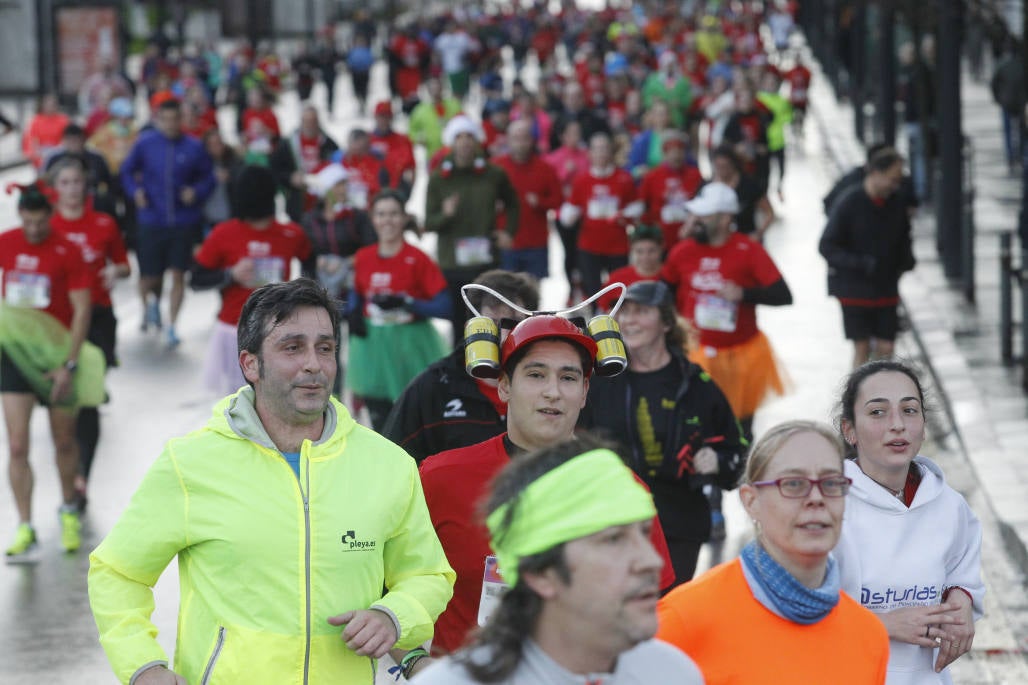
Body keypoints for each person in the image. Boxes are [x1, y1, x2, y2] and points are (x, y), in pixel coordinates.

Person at [88, 278, 456, 684]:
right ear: (250, 364)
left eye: (325, 348)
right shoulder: (190, 463)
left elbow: (427, 575)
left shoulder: (388, 464)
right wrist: (143, 666)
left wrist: (393, 615)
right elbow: (117, 572)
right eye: (292, 347)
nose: (313, 363)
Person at [418, 314, 677, 658]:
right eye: (536, 375)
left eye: (568, 378)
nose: (552, 392)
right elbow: (388, 582)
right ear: (505, 386)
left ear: (585, 392)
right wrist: (413, 661)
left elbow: (652, 612)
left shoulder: (624, 493)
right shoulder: (440, 477)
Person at [416, 436, 705, 684]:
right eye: (613, 540)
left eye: (643, 533)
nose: (651, 560)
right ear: (541, 573)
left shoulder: (673, 673)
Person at [656, 420, 891, 684]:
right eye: (793, 484)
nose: (816, 498)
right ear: (751, 501)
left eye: (831, 483)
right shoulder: (682, 621)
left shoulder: (867, 635)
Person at [582, 281, 746, 584]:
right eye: (624, 312)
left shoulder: (696, 385)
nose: (629, 320)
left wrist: (718, 462)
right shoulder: (598, 381)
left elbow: (739, 454)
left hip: (678, 525)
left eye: (641, 311)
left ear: (667, 323)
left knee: (663, 616)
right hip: (610, 522)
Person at [833, 360, 983, 684]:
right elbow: (794, 609)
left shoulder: (949, 506)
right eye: (877, 412)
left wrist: (961, 601)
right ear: (849, 429)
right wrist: (883, 624)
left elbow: (963, 572)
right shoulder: (826, 507)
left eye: (910, 410)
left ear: (924, 425)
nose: (897, 424)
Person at [1, 182, 96, 560]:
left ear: (49, 218)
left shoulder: (68, 251)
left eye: (42, 222)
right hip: (13, 355)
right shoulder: (6, 243)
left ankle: (68, 508)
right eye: (30, 222)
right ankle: (25, 526)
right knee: (18, 445)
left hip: (56, 357)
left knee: (64, 442)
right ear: (20, 215)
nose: (36, 229)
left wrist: (68, 364)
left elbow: (82, 310)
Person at [662, 181, 791, 440]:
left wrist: (744, 293)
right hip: (694, 352)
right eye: (694, 213)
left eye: (703, 215)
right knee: (694, 425)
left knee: (739, 429)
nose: (695, 219)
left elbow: (783, 295)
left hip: (739, 355)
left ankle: (738, 476)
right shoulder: (683, 251)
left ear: (724, 219)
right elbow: (663, 293)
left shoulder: (748, 250)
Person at [381, 269, 539, 462]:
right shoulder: (433, 388)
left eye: (513, 324)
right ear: (470, 329)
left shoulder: (550, 387)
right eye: (493, 324)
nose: (504, 335)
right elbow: (390, 459)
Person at [48, 158, 131, 511]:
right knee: (69, 401)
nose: (72, 189)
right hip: (57, 323)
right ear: (56, 188)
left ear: (87, 186)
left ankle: (82, 475)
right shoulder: (46, 225)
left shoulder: (103, 223)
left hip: (97, 318)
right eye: (65, 182)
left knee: (88, 402)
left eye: (77, 181)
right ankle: (70, 468)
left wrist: (116, 272)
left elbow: (125, 265)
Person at [191, 165, 312, 397]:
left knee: (279, 400)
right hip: (233, 331)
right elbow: (196, 280)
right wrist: (231, 275)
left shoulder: (292, 234)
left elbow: (311, 263)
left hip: (278, 330)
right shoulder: (223, 234)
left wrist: (299, 292)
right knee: (236, 405)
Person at [347, 190, 451, 430]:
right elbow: (358, 292)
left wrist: (409, 303)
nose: (387, 220)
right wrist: (354, 312)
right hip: (372, 348)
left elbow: (445, 307)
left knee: (414, 417)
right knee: (379, 419)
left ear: (405, 218)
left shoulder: (417, 258)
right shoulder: (363, 257)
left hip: (410, 347)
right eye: (381, 214)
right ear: (373, 219)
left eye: (394, 214)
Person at [120, 98, 215, 347]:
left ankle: (172, 325)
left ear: (181, 120)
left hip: (183, 222)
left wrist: (196, 191)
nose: (172, 124)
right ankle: (149, 305)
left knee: (178, 274)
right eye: (166, 120)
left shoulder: (194, 147)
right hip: (152, 219)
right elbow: (127, 171)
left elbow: (209, 177)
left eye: (176, 119)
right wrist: (136, 192)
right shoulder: (145, 144)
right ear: (158, 119)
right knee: (150, 277)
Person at [425, 115, 520, 344]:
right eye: (459, 137)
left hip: (486, 263)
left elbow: (514, 203)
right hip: (453, 263)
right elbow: (429, 222)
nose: (465, 142)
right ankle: (461, 368)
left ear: (477, 140)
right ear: (451, 142)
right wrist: (445, 214)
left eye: (469, 136)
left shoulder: (493, 173)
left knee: (490, 320)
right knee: (460, 323)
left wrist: (508, 231)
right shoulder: (439, 178)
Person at [819, 147, 914, 368]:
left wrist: (906, 260)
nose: (895, 185)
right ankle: (859, 397)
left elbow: (904, 237)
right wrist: (861, 264)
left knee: (886, 347)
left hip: (885, 288)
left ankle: (880, 392)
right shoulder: (849, 203)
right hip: (854, 291)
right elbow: (827, 246)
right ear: (875, 173)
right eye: (892, 179)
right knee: (861, 347)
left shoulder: (897, 202)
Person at [558, 132, 643, 302]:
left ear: (611, 152)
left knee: (618, 291)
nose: (601, 153)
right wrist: (573, 213)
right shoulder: (582, 180)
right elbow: (568, 213)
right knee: (592, 292)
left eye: (605, 149)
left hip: (618, 245)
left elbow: (637, 207)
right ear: (589, 153)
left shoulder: (624, 178)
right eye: (596, 149)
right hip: (589, 246)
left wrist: (623, 215)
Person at [493, 120, 562, 279]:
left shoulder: (545, 168)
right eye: (516, 138)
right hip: (506, 243)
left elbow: (558, 200)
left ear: (532, 141)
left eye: (525, 138)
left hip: (536, 243)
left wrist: (540, 202)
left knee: (533, 293)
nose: (521, 143)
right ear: (508, 140)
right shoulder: (496, 167)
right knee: (505, 293)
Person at [270, 104, 339, 223]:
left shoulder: (328, 143)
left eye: (313, 121)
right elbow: (275, 169)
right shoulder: (287, 144)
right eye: (306, 121)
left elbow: (338, 169)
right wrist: (290, 177)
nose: (310, 125)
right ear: (301, 121)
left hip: (322, 201)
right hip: (297, 202)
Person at [637, 131, 704, 249]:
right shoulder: (652, 177)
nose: (676, 156)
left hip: (689, 236)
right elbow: (642, 206)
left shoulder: (696, 175)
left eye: (680, 151)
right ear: (665, 153)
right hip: (661, 239)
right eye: (672, 152)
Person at [408, 77, 462, 157]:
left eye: (437, 87)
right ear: (428, 90)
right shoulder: (420, 110)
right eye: (432, 88)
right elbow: (411, 131)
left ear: (442, 88)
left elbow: (464, 123)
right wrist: (419, 139)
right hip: (433, 154)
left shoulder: (454, 105)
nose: (435, 91)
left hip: (455, 152)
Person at [22, 94, 69, 169]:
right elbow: (32, 138)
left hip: (58, 149)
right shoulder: (36, 120)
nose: (50, 107)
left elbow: (66, 137)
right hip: (41, 150)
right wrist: (36, 151)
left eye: (53, 105)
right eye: (48, 105)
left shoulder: (63, 120)